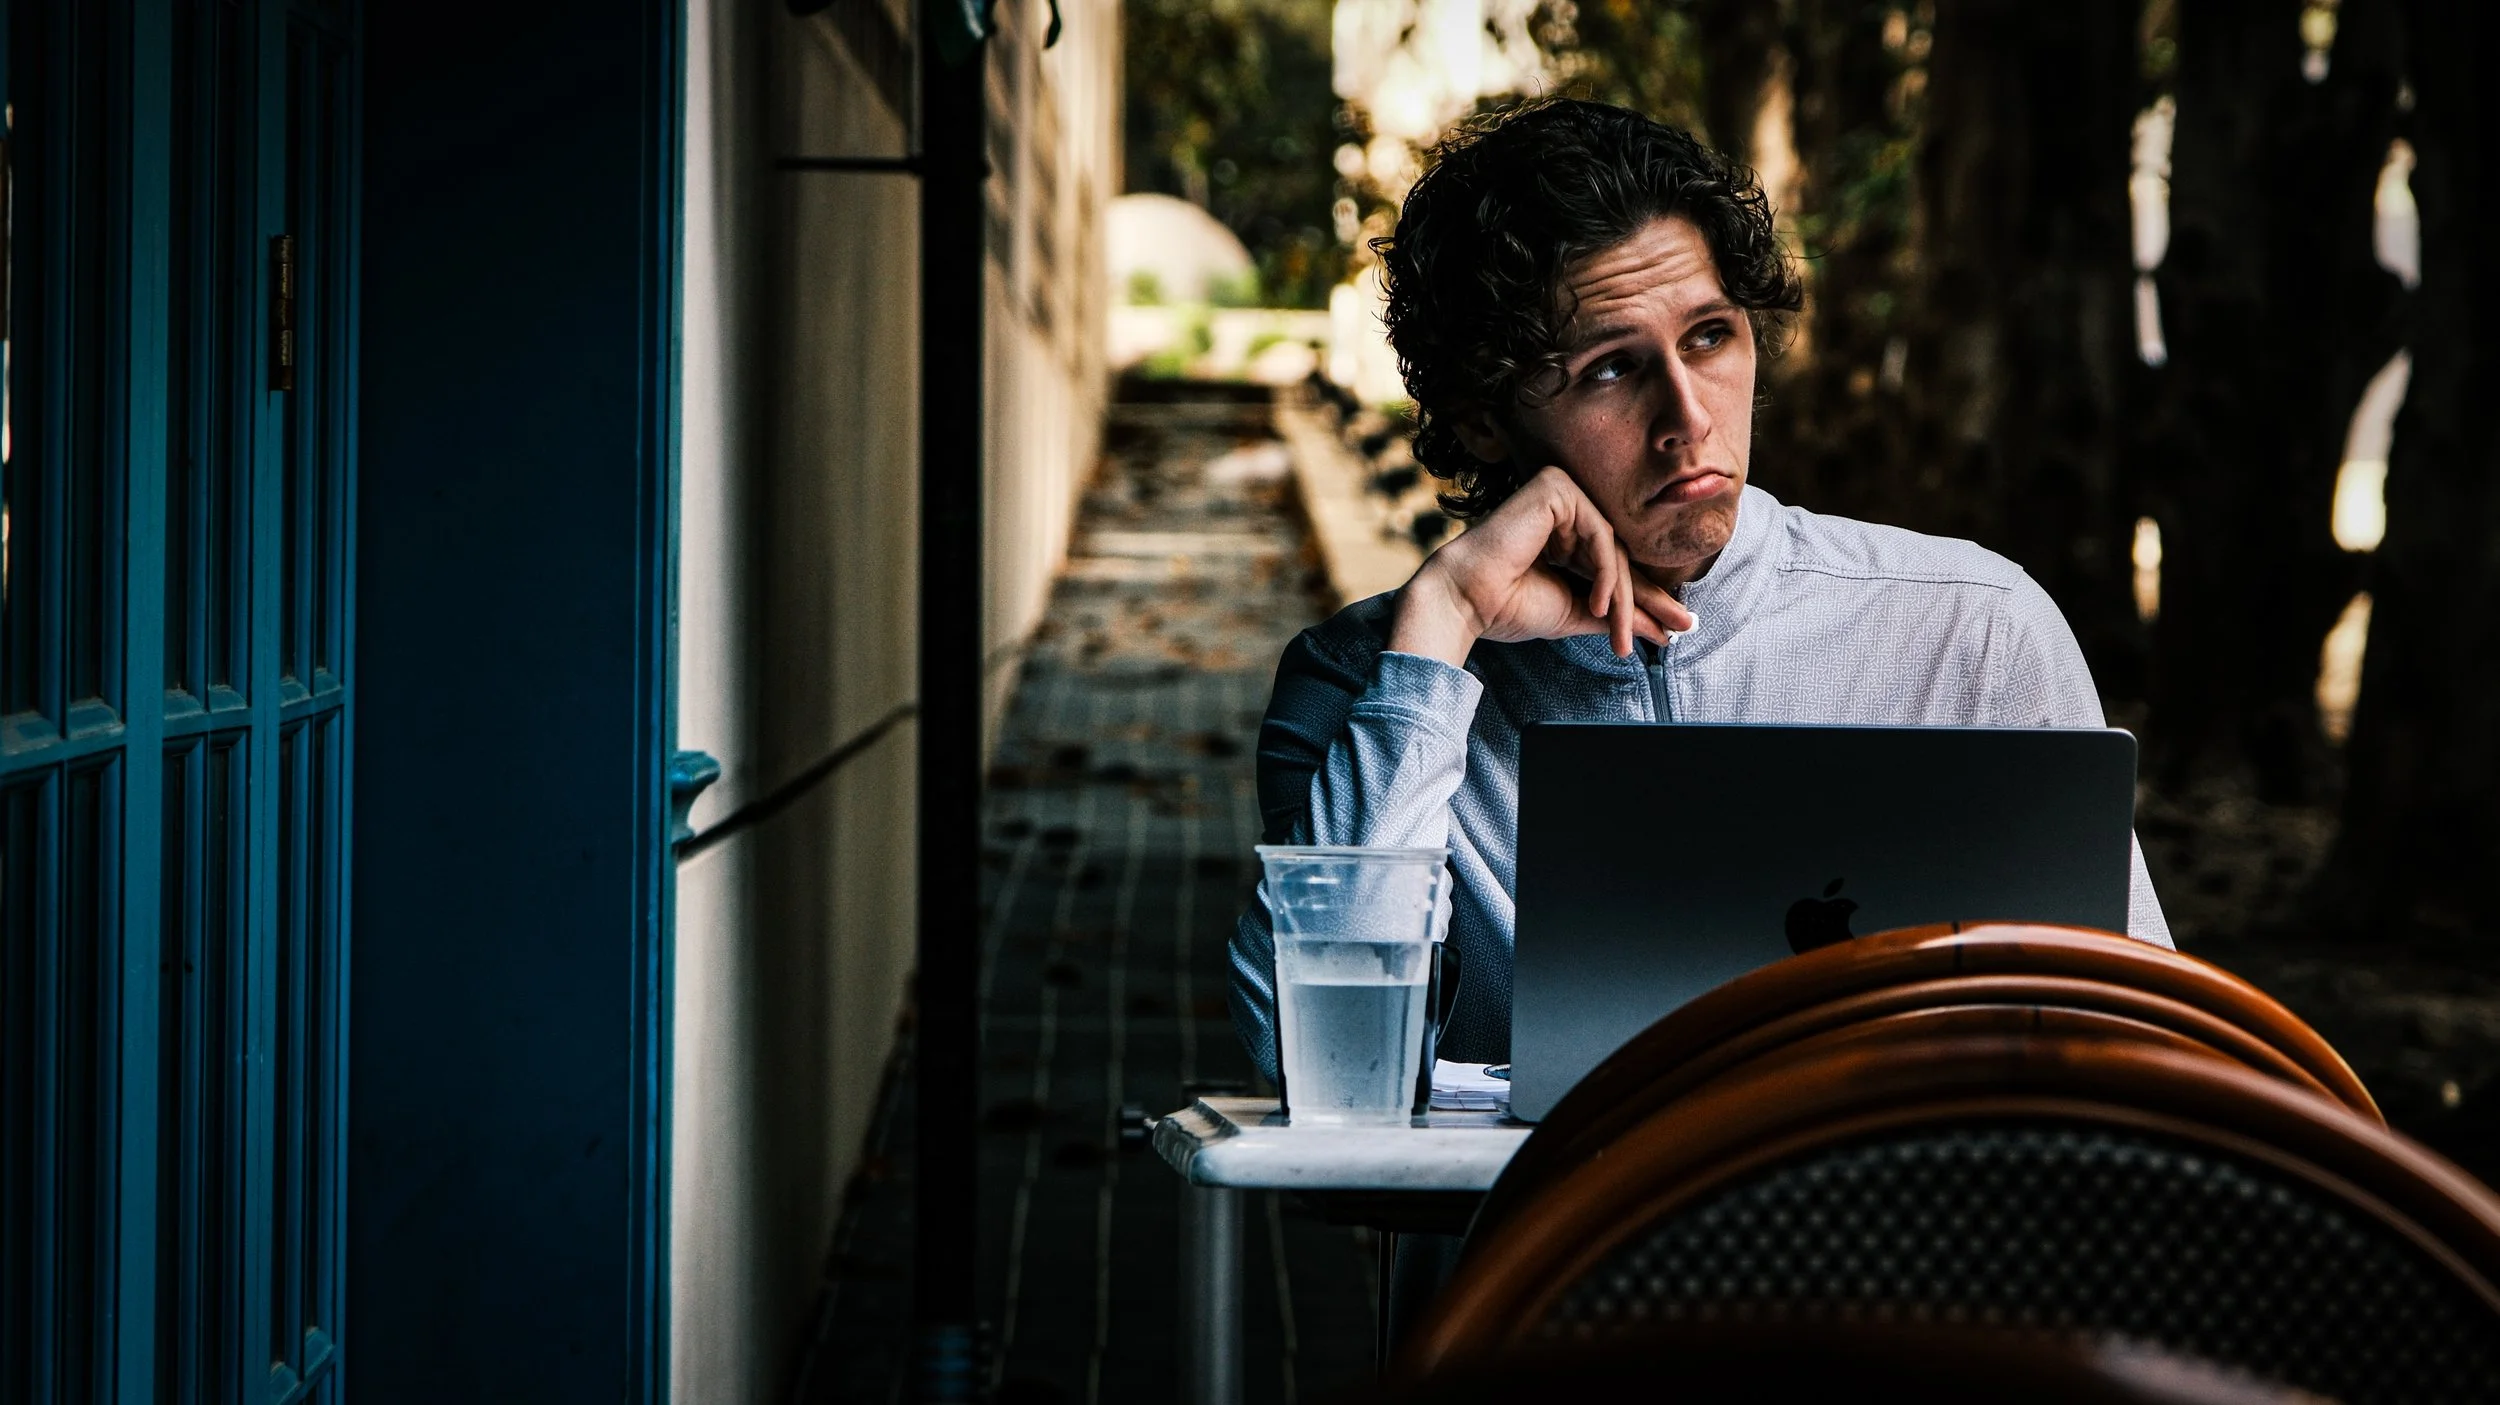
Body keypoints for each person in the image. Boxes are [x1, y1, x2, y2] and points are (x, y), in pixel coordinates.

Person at [1229, 98, 2173, 1086]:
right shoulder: (1360, 686)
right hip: (1549, 1242)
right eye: (1610, 369)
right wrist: (1439, 636)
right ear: (1481, 421)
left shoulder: (1969, 628)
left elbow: (2140, 1040)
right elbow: (1314, 1063)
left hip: (1907, 1232)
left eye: (1710, 338)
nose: (1688, 418)